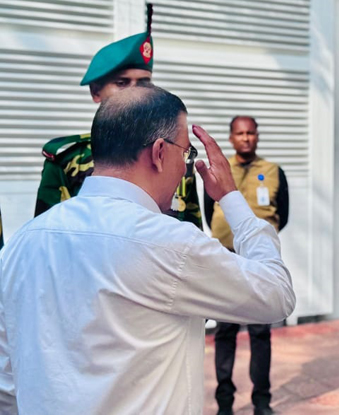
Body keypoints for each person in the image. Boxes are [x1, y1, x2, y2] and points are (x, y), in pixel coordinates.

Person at [0, 86, 295, 414]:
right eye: (187, 155)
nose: (185, 169)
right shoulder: (169, 243)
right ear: (159, 152)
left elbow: (6, 382)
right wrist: (230, 197)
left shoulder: (20, 245)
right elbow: (276, 294)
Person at [33, 5, 202, 228]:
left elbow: (192, 231)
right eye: (122, 83)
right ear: (96, 92)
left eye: (144, 83)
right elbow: (48, 232)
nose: (135, 91)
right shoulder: (68, 159)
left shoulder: (174, 153)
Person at [204, 116, 289, 415]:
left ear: (257, 136)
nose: (246, 138)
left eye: (251, 133)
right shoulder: (219, 169)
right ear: (231, 138)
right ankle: (224, 403)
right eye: (240, 133)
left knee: (260, 332)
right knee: (224, 332)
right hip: (225, 259)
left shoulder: (274, 171)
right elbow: (208, 211)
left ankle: (262, 402)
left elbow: (283, 215)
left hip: (258, 262)